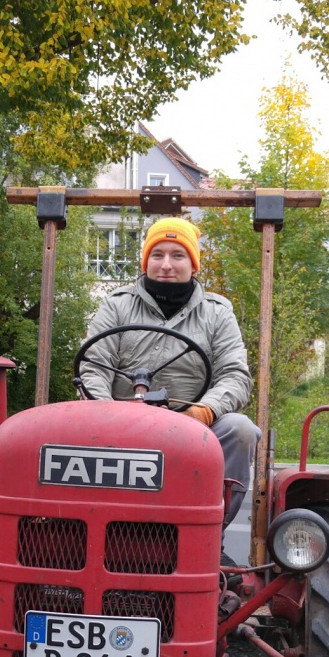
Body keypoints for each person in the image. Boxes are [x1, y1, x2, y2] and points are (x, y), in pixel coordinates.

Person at [79, 216, 260, 528]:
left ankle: (208, 532)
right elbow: (92, 365)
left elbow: (235, 375)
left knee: (240, 430)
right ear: (145, 261)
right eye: (157, 254)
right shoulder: (118, 306)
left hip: (192, 428)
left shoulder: (217, 313)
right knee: (59, 427)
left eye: (178, 256)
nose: (166, 265)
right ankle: (85, 526)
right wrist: (107, 411)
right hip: (118, 424)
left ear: (193, 264)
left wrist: (204, 411)